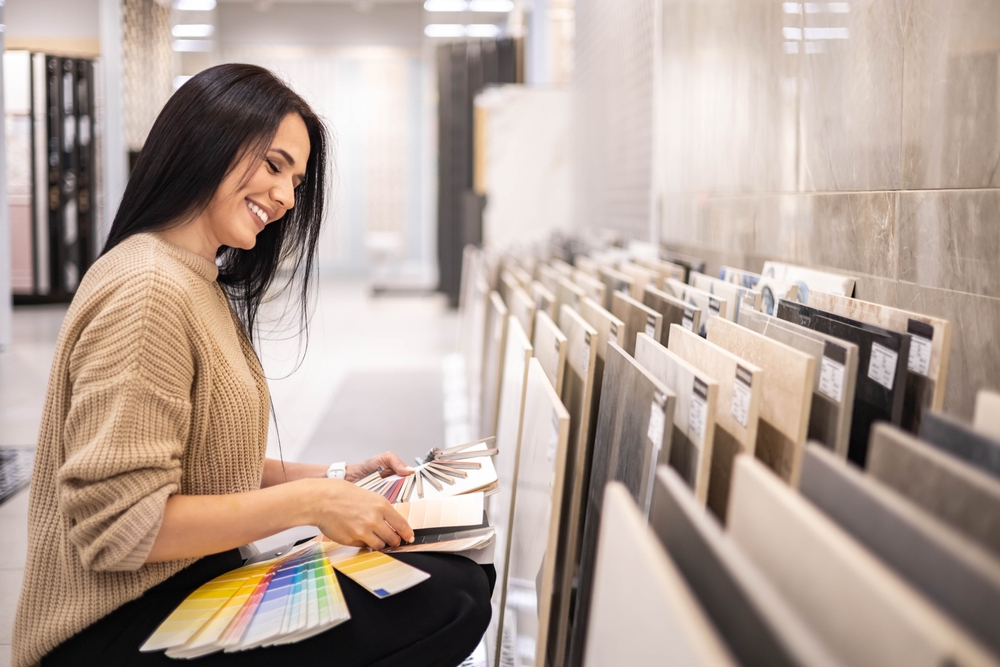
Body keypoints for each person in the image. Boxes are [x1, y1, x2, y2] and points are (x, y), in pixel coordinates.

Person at [12, 63, 492, 667]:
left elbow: (204, 458)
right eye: (273, 165)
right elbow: (121, 526)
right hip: (111, 630)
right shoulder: (146, 291)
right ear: (206, 143)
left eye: (296, 178)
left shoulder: (190, 277)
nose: (287, 197)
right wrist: (312, 504)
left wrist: (340, 477)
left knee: (445, 572)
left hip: (177, 593)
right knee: (448, 598)